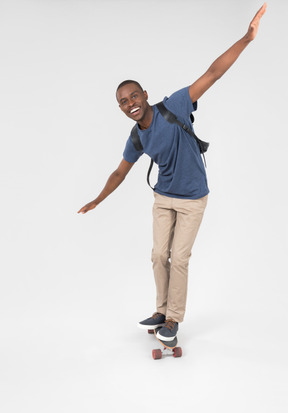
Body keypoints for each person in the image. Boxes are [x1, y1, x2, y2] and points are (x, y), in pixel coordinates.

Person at [78, 4, 267, 342]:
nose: (130, 102)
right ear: (121, 108)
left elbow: (212, 73)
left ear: (145, 95)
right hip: (163, 198)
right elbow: (119, 173)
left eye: (134, 95)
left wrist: (247, 38)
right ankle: (161, 310)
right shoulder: (137, 135)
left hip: (194, 198)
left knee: (179, 258)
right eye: (123, 101)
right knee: (157, 255)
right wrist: (97, 199)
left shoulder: (175, 105)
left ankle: (173, 320)